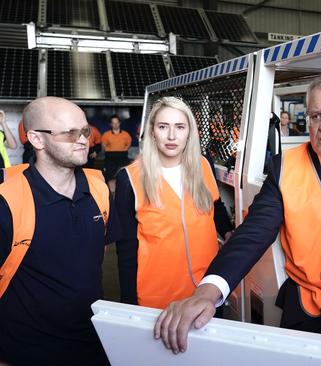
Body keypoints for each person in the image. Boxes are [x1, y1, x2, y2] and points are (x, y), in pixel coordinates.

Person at [154, 74, 321, 353]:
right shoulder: (285, 167)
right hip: (317, 299)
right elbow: (253, 233)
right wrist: (207, 293)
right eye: (316, 116)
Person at [0, 97, 120, 365]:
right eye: (69, 133)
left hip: (93, 345)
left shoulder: (99, 189)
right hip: (25, 352)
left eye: (85, 131)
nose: (82, 140)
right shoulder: (7, 200)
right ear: (37, 139)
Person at [114, 97, 234, 310]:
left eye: (180, 127)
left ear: (189, 131)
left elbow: (215, 208)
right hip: (157, 300)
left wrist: (228, 233)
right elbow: (126, 249)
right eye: (163, 127)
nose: (171, 136)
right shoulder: (130, 179)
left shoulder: (203, 165)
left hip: (206, 294)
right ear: (152, 131)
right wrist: (129, 306)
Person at [102, 114, 132, 193]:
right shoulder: (106, 135)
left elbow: (128, 144)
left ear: (120, 123)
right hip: (110, 157)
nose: (115, 124)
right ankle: (110, 193)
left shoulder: (126, 134)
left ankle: (124, 192)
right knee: (109, 175)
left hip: (122, 156)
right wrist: (111, 150)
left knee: (124, 174)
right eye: (113, 123)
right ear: (110, 124)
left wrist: (122, 150)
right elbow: (103, 146)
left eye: (117, 122)